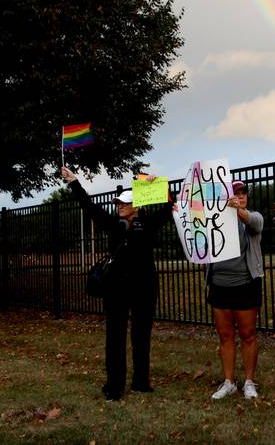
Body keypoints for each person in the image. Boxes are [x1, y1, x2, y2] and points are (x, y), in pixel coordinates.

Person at [61, 166, 173, 402]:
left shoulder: (148, 224)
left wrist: (156, 186)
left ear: (137, 206)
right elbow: (89, 207)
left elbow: (168, 208)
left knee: (142, 336)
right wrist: (74, 183)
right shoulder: (112, 224)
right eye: (118, 203)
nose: (119, 206)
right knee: (115, 338)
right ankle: (114, 386)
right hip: (116, 290)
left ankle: (141, 382)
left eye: (124, 203)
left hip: (144, 289)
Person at [208, 180, 265, 400]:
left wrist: (237, 210)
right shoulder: (214, 219)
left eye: (243, 194)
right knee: (225, 335)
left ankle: (249, 381)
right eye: (235, 194)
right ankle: (229, 381)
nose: (240, 196)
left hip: (245, 284)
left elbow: (254, 222)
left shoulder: (252, 217)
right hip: (219, 284)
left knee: (248, 334)